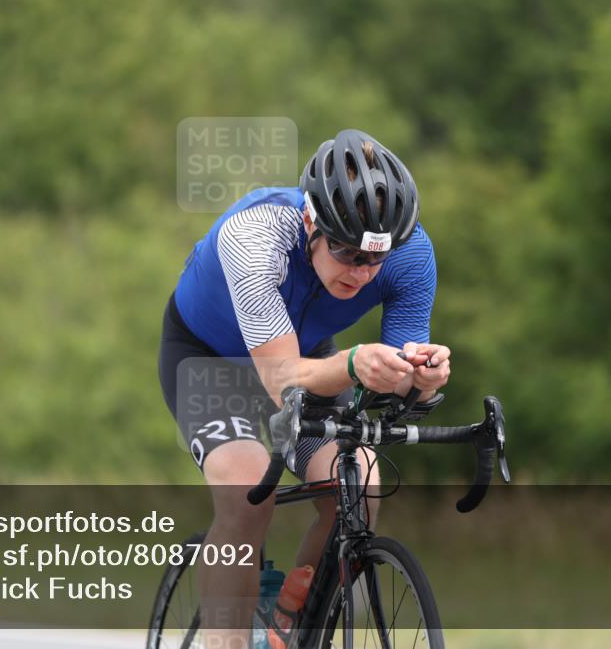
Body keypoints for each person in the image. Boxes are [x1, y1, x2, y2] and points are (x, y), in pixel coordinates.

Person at [158, 128, 451, 648]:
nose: (361, 272)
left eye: (373, 259)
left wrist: (422, 380)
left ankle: (291, 620)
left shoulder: (411, 255)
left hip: (309, 355)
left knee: (359, 482)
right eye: (346, 252)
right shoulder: (255, 236)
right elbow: (281, 379)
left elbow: (396, 386)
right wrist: (358, 362)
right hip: (209, 362)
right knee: (248, 495)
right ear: (312, 222)